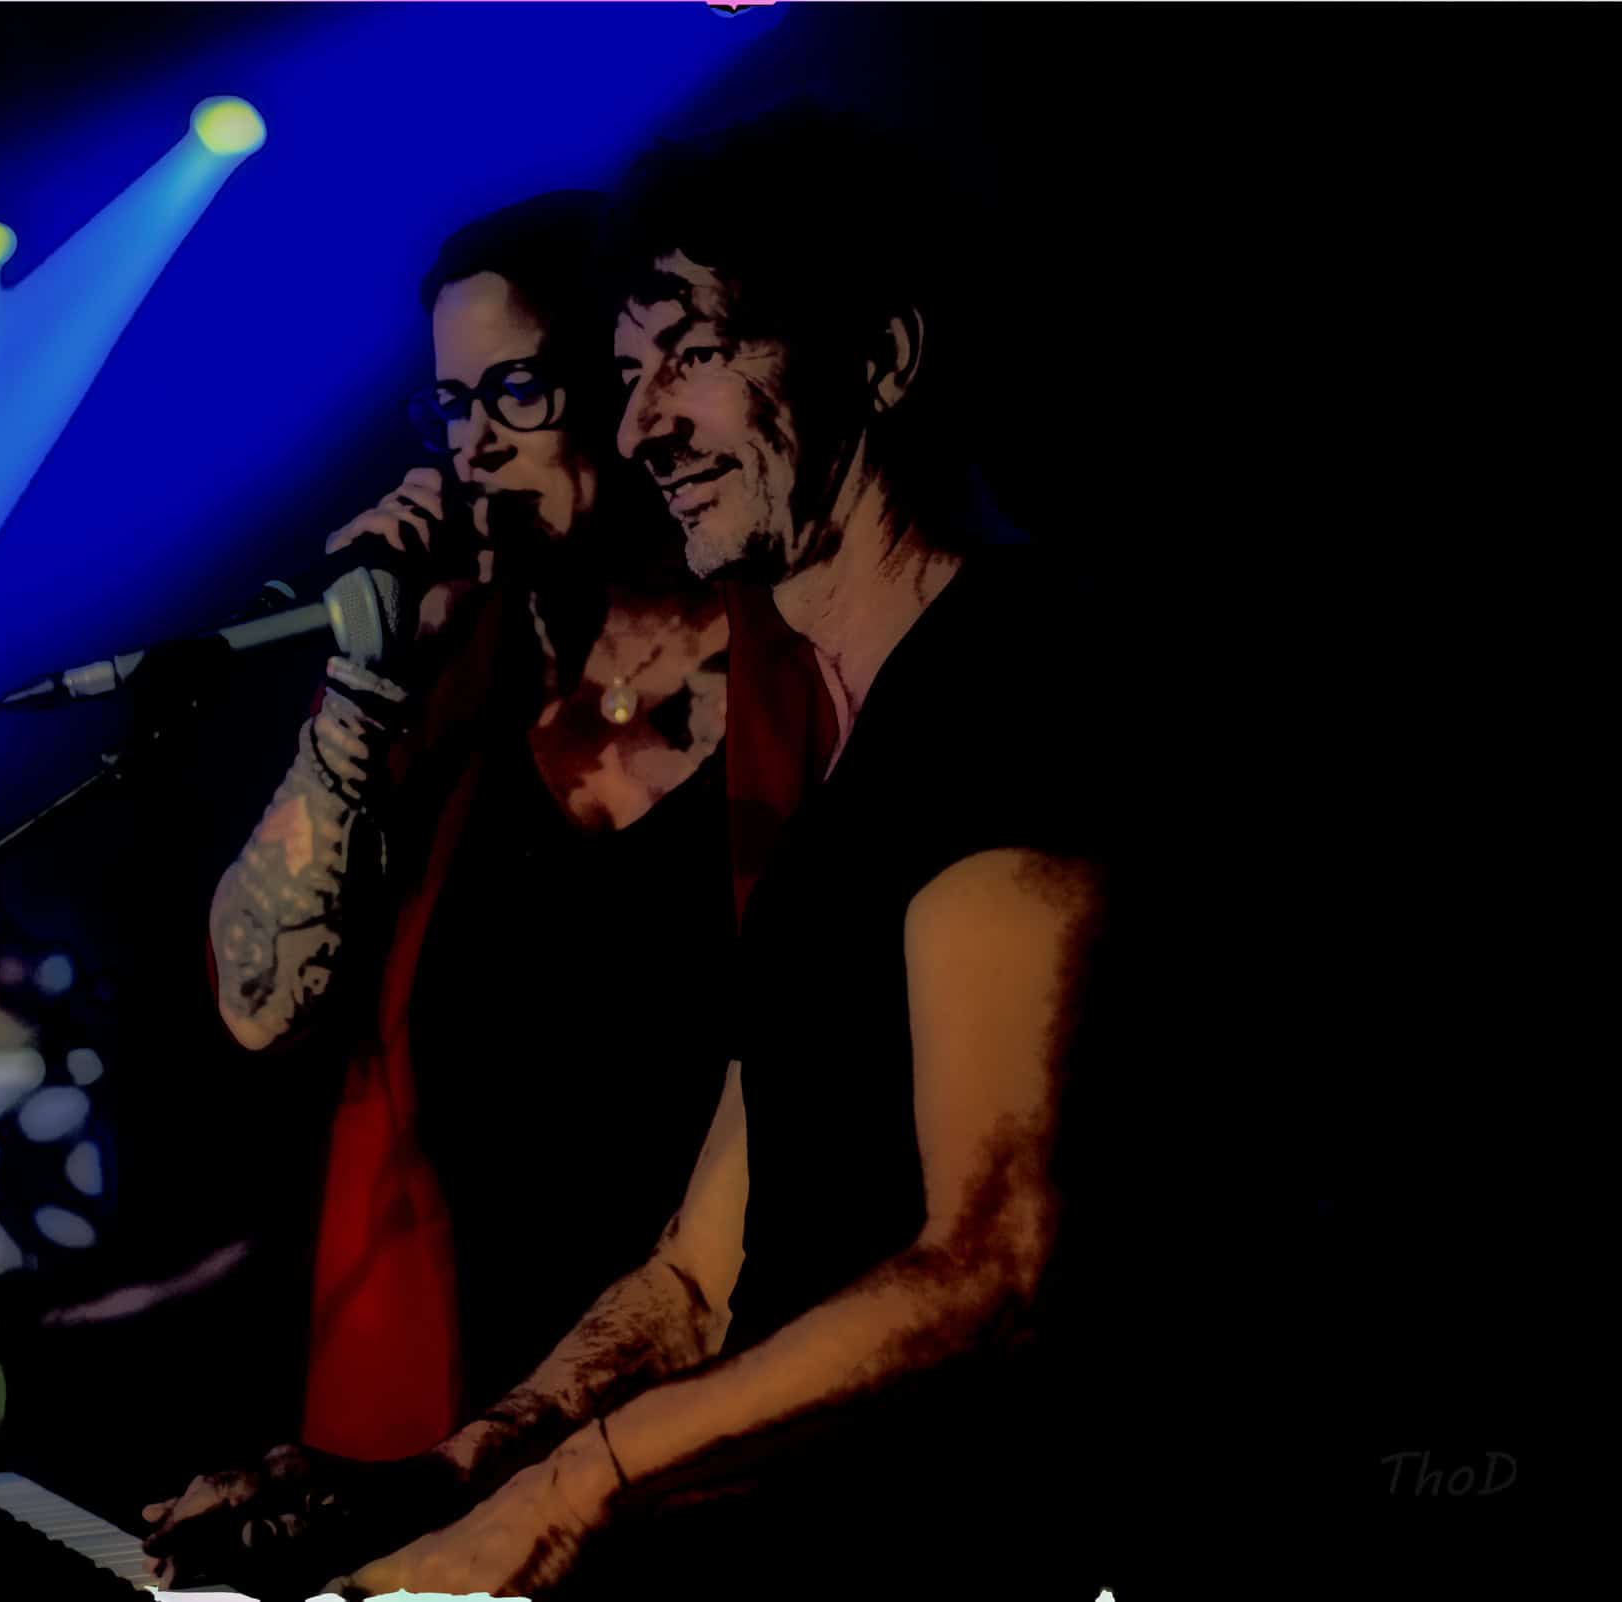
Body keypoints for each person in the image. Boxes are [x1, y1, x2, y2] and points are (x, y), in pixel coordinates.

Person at [183, 108, 1136, 1601]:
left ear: (881, 360)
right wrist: (445, 1475)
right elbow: (699, 1274)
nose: (641, 428)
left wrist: (568, 1492)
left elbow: (993, 1266)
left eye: (688, 357)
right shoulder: (845, 750)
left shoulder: (1011, 678)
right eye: (627, 377)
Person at [146, 191, 833, 1596]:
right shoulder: (449, 683)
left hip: (708, 1427)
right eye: (450, 405)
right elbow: (260, 1004)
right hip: (439, 1432)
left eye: (518, 388)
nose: (473, 445)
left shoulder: (798, 666)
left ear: (628, 381)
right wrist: (361, 682)